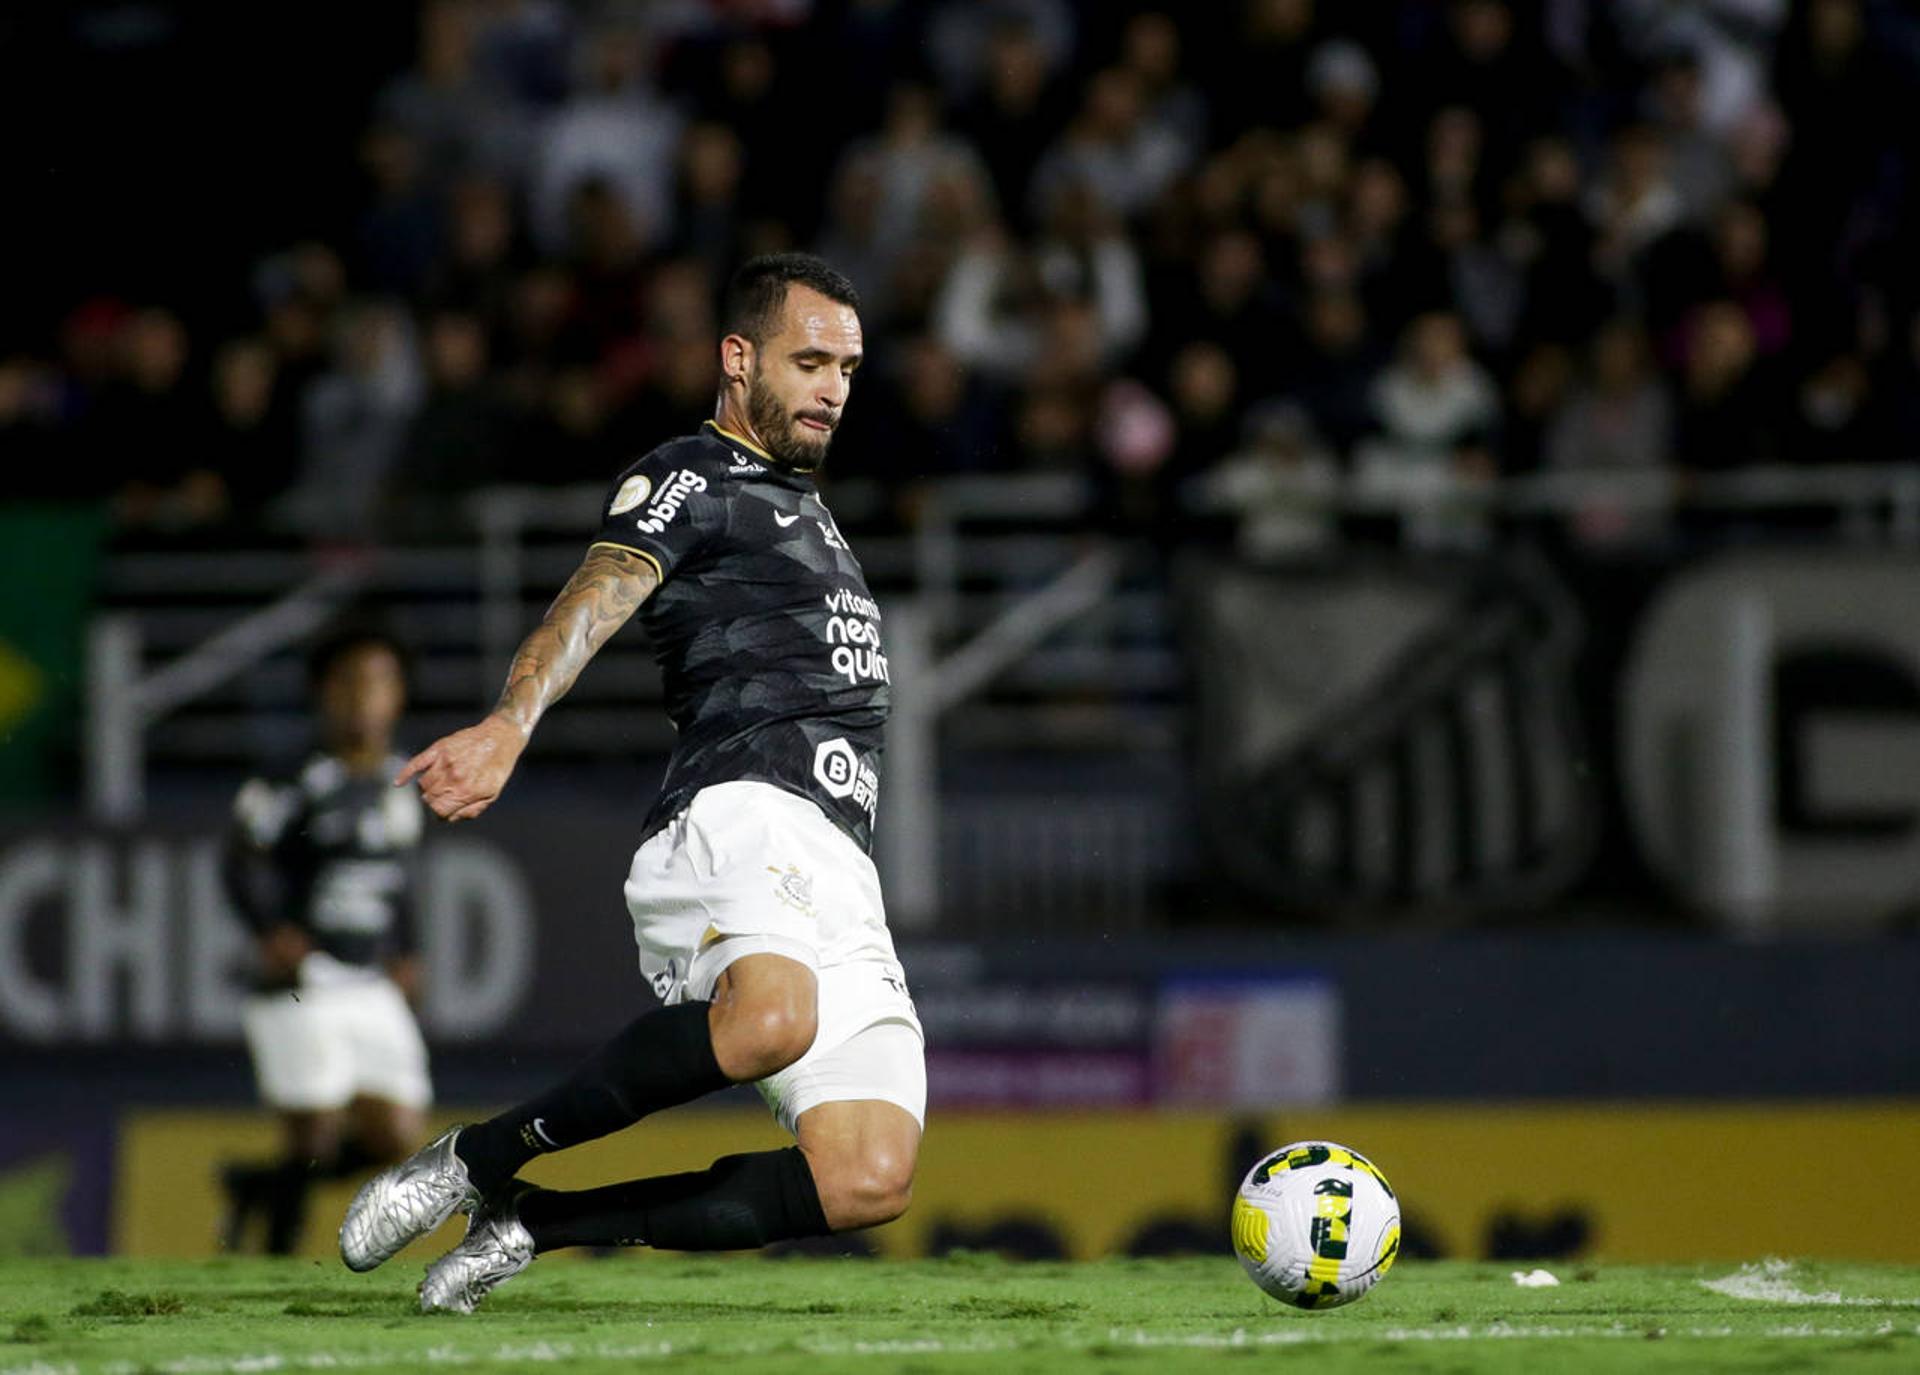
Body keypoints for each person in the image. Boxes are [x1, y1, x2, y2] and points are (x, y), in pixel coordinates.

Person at [339, 254, 924, 1314]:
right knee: (770, 1021)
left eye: (847, 365)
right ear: (737, 358)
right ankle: (471, 1159)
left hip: (838, 863)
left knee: (867, 1175)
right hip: (744, 807)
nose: (834, 386)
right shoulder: (697, 475)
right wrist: (514, 721)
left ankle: (532, 1222)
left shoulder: (803, 507)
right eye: (808, 360)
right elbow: (600, 590)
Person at [219, 628, 430, 1254]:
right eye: (350, 683)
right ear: (323, 693)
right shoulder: (293, 777)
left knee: (397, 1141)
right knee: (311, 1136)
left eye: (380, 682)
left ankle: (254, 1188)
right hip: (302, 981)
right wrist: (270, 931)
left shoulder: (402, 777)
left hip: (367, 978)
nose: (365, 698)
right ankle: (272, 1263)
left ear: (398, 696)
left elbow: (399, 877)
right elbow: (237, 859)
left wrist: (408, 950)